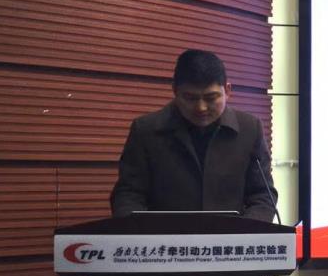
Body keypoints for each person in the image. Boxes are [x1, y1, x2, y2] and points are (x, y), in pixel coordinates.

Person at [110, 49, 278, 221]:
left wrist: (247, 232)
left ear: (227, 91)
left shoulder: (250, 129)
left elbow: (263, 196)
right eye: (190, 98)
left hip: (233, 236)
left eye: (211, 98)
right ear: (175, 91)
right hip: (164, 235)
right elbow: (128, 195)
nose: (201, 108)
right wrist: (140, 230)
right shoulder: (146, 130)